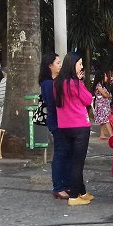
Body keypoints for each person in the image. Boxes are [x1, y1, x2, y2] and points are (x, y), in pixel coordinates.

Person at [54, 53, 94, 206]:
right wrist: (81, 82)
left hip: (65, 126)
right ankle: (73, 196)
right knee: (78, 163)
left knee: (73, 160)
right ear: (72, 65)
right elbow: (88, 99)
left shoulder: (58, 83)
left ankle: (81, 192)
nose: (82, 66)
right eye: (80, 63)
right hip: (80, 126)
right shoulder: (75, 83)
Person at [39, 52, 71, 199]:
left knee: (65, 153)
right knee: (60, 153)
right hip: (57, 123)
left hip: (64, 122)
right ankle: (58, 187)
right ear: (50, 65)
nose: (60, 65)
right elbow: (54, 103)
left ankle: (64, 184)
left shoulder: (57, 81)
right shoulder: (47, 84)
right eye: (58, 63)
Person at [92, 72, 112, 139]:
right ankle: (111, 135)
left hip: (104, 104)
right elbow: (105, 95)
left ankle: (102, 134)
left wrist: (108, 95)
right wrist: (108, 95)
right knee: (106, 120)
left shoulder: (102, 86)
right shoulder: (99, 86)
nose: (107, 77)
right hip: (102, 105)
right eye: (105, 76)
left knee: (103, 120)